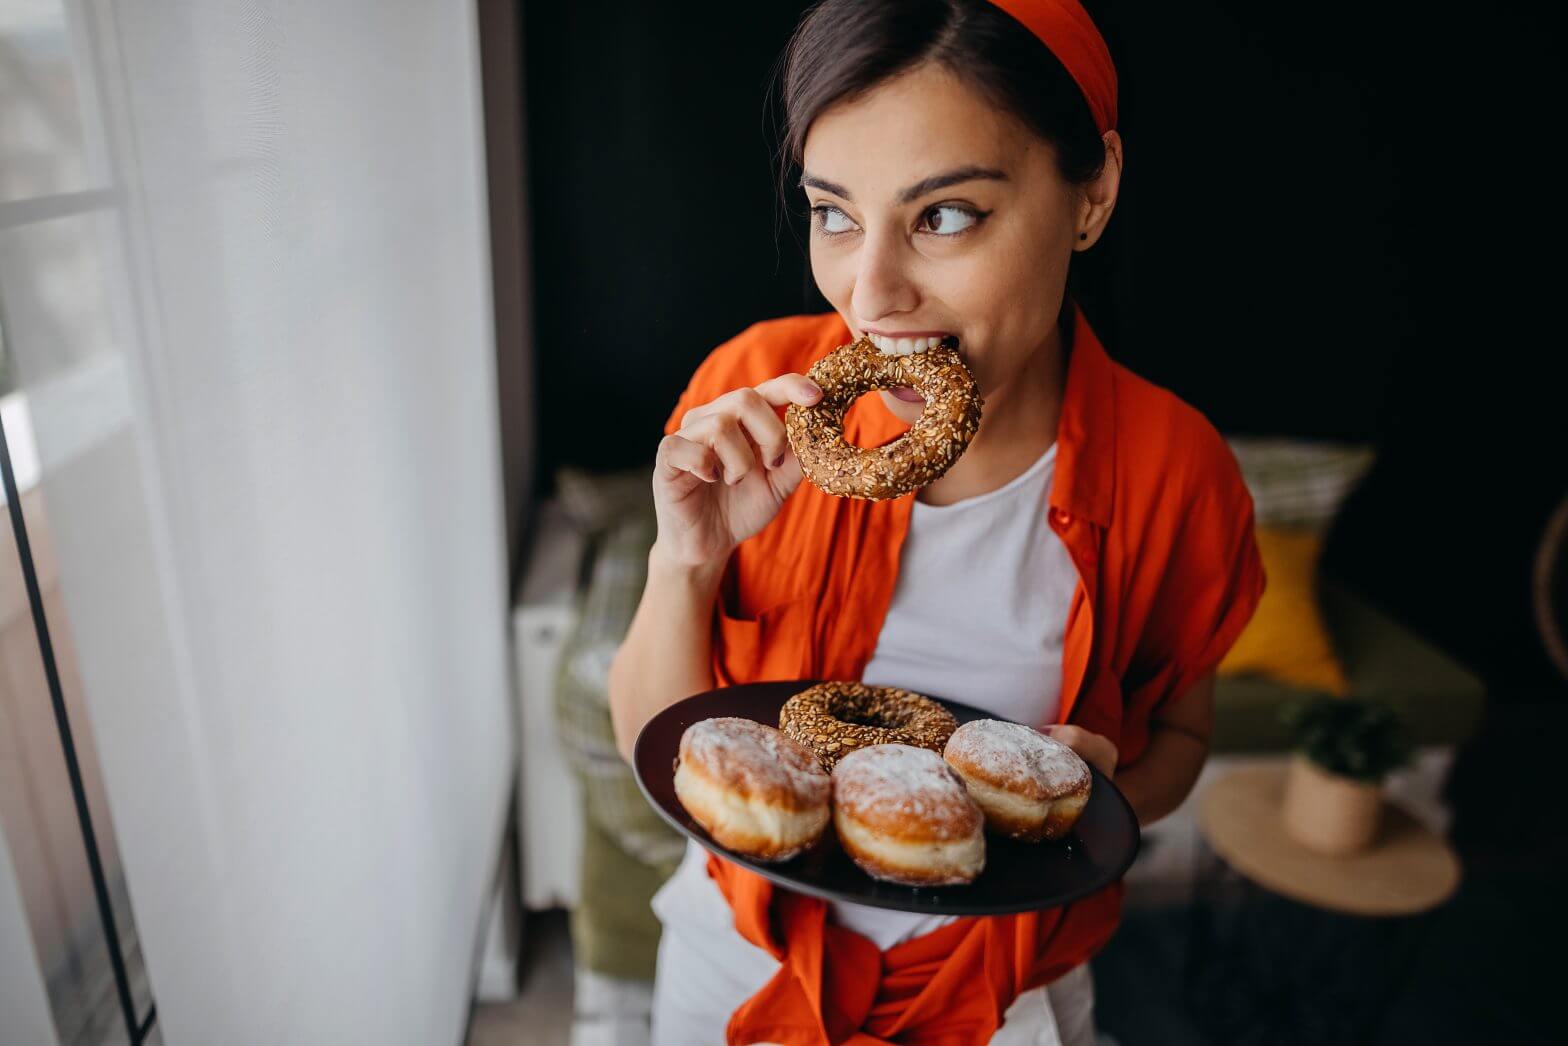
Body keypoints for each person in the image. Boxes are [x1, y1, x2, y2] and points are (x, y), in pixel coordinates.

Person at [608, 1, 1266, 1042]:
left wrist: (1104, 792)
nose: (871, 297)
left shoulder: (1174, 471)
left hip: (1009, 995)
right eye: (834, 214)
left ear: (1092, 193)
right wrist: (685, 560)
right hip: (735, 956)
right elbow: (658, 747)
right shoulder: (752, 393)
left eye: (945, 215)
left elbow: (1181, 735)